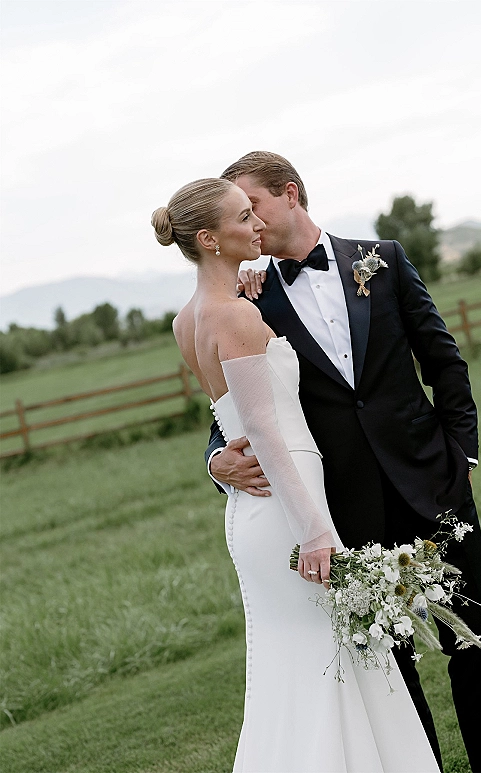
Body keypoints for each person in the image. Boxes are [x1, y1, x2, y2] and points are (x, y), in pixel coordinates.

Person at [206, 152, 481, 773]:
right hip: (345, 505)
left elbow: (444, 360)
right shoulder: (252, 301)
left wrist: (463, 454)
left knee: (476, 644)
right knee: (387, 668)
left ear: (290, 193)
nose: (250, 224)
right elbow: (228, 406)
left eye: (254, 207)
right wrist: (218, 461)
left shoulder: (386, 258)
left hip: (434, 482)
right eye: (239, 214)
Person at [152, 178, 441, 772]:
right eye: (242, 218)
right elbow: (266, 435)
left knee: (299, 665)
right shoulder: (234, 317)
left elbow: (228, 414)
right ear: (209, 239)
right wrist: (315, 531)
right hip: (289, 505)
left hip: (255, 508)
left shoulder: (190, 319)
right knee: (327, 661)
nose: (257, 225)